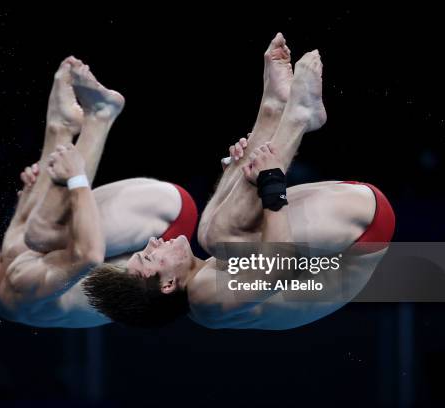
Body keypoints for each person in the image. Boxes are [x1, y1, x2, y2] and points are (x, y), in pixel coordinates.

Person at [83, 33, 395, 329]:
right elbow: (277, 268)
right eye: (149, 256)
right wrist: (271, 180)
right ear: (167, 284)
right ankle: (297, 117)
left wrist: (235, 170)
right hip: (357, 237)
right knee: (221, 235)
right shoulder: (207, 301)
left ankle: (275, 105)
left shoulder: (203, 282)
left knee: (210, 232)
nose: (152, 242)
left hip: (343, 228)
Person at [0, 57, 198, 328]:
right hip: (165, 232)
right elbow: (90, 255)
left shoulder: (8, 274)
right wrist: (75, 179)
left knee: (35, 220)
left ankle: (63, 125)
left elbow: (39, 199)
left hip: (154, 227)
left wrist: (36, 191)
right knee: (40, 231)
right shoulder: (22, 287)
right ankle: (98, 116)